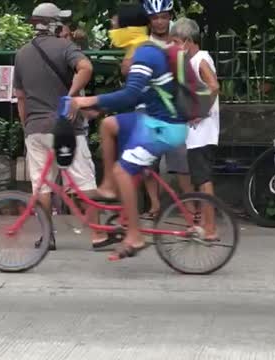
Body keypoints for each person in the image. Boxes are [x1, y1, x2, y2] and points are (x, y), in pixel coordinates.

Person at [68, 3, 187, 260]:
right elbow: (134, 98)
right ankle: (109, 186)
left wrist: (91, 101)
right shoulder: (141, 50)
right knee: (109, 125)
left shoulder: (145, 54)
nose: (112, 32)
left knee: (125, 170)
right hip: (151, 119)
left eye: (114, 27)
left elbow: (130, 95)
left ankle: (135, 235)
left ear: (128, 29)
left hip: (163, 127)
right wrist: (98, 109)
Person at [14, 3, 96, 251]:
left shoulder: (21, 54)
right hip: (66, 129)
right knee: (85, 181)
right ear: (53, 24)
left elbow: (21, 98)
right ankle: (99, 234)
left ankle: (47, 236)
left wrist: (27, 126)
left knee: (41, 185)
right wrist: (71, 95)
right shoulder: (65, 47)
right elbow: (86, 68)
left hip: (35, 129)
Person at [139, 0, 193, 220]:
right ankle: (154, 205)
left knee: (181, 163)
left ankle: (190, 207)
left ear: (170, 16)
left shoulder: (180, 42)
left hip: (173, 111)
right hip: (148, 108)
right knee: (147, 164)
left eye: (163, 16)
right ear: (149, 20)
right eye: (154, 18)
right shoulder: (143, 45)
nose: (159, 21)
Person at [169, 18, 220, 240]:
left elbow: (214, 86)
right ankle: (202, 226)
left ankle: (210, 229)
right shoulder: (193, 59)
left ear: (188, 41)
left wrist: (200, 112)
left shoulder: (199, 59)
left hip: (203, 132)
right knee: (199, 180)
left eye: (177, 42)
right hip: (197, 132)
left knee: (204, 179)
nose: (174, 47)